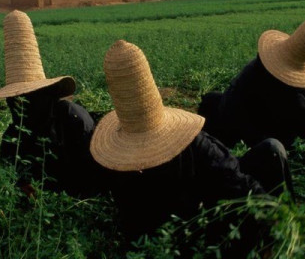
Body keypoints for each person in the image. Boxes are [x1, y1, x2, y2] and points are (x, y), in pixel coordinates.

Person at [90, 40, 293, 247]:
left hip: (175, 235)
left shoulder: (116, 164)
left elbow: (133, 228)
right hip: (208, 230)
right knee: (271, 150)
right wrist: (273, 221)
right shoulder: (195, 144)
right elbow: (237, 182)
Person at [0, 10, 101, 198]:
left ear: (46, 94)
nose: (21, 105)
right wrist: (23, 188)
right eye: (16, 99)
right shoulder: (13, 139)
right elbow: (12, 180)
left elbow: (93, 179)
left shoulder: (74, 120)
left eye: (29, 97)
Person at [198, 14, 305, 149]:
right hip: (250, 124)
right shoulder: (258, 69)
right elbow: (232, 103)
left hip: (268, 140)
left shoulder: (303, 100)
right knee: (212, 100)